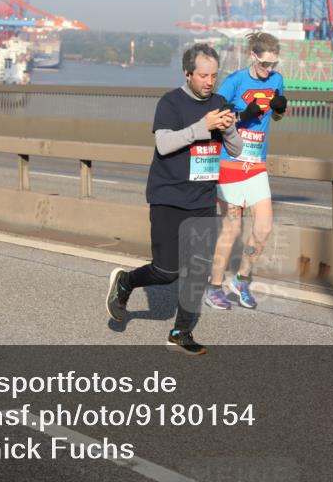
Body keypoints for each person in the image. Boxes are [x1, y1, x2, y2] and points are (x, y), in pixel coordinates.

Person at [106, 43, 242, 355]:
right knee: (167, 272)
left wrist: (231, 128)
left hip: (203, 200)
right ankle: (126, 281)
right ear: (188, 73)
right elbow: (165, 144)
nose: (210, 82)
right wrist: (202, 126)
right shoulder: (171, 102)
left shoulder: (221, 102)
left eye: (214, 76)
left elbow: (235, 150)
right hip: (168, 197)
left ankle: (181, 333)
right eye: (203, 76)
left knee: (198, 270)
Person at [206, 32, 287, 309]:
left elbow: (274, 115)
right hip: (229, 163)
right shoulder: (235, 81)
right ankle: (214, 286)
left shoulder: (276, 80)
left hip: (256, 165)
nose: (270, 70)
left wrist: (279, 109)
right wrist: (242, 116)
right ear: (253, 56)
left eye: (274, 65)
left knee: (263, 229)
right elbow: (214, 117)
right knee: (233, 227)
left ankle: (241, 279)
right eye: (265, 64)